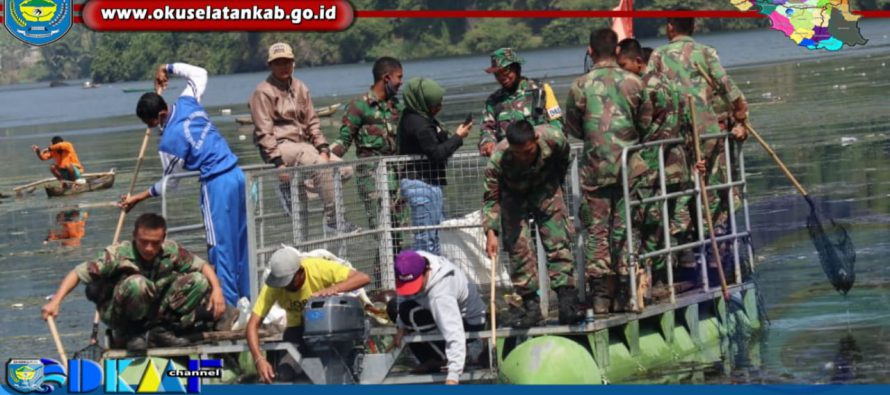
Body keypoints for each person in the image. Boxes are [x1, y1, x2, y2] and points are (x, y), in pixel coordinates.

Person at [123, 62, 249, 307]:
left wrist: (138, 197)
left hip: (217, 185)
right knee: (241, 241)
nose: (152, 128)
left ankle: (231, 307)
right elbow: (200, 72)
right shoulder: (186, 101)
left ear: (159, 116)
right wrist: (166, 68)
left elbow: (170, 185)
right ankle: (247, 298)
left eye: (151, 123)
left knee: (219, 248)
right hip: (237, 175)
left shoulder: (169, 143)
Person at [40, 213, 234, 351]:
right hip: (121, 312)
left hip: (154, 308)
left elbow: (202, 266)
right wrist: (56, 301)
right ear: (134, 237)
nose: (149, 248)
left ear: (163, 238)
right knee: (138, 284)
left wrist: (217, 290)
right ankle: (131, 334)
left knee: (199, 281)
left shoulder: (171, 250)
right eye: (144, 242)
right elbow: (77, 273)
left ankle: (162, 331)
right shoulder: (117, 254)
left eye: (155, 243)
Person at [648, 14, 749, 261]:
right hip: (706, 126)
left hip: (674, 128)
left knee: (682, 182)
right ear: (693, 27)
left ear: (670, 27)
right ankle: (713, 235)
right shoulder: (706, 52)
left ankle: (684, 241)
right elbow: (724, 84)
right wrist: (740, 111)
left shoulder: (658, 55)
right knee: (711, 179)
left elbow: (648, 90)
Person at [564, 28, 645, 314]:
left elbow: (572, 126)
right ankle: (625, 290)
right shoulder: (634, 83)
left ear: (590, 51)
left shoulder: (580, 86)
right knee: (625, 227)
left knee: (597, 231)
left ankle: (600, 296)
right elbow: (646, 121)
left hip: (594, 169)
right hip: (629, 168)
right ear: (619, 52)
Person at [482, 120, 584, 327]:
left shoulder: (553, 138)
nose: (523, 157)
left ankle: (566, 302)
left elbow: (563, 159)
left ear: (536, 140)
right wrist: (491, 233)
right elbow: (491, 198)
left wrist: (553, 182)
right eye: (518, 153)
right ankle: (531, 306)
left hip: (544, 188)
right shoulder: (498, 159)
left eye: (528, 152)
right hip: (513, 195)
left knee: (558, 241)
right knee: (517, 248)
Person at [250, 42, 358, 234]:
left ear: (294, 63)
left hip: (304, 144)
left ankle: (294, 188)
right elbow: (264, 131)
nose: (283, 66)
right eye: (278, 63)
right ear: (270, 65)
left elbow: (312, 122)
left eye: (287, 62)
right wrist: (277, 163)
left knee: (345, 169)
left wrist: (324, 149)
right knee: (318, 164)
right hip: (279, 145)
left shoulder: (300, 87)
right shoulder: (263, 92)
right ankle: (334, 221)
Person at [247, 246, 371, 384]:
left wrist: (331, 290)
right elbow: (252, 325)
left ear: (300, 272)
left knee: (333, 374)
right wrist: (258, 359)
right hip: (297, 330)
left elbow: (363, 278)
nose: (284, 287)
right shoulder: (274, 286)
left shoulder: (317, 268)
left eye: (288, 282)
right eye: (281, 284)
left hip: (327, 330)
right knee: (284, 374)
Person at [330, 56, 407, 247]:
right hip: (372, 181)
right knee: (383, 236)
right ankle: (383, 276)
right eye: (399, 77)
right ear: (387, 78)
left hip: (397, 180)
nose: (401, 82)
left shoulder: (397, 106)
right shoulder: (359, 106)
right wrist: (321, 156)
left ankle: (390, 276)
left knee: (399, 235)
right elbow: (343, 141)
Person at [398, 77, 472, 255]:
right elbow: (437, 154)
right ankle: (425, 278)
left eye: (440, 103)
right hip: (420, 184)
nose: (439, 107)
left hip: (428, 183)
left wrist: (454, 136)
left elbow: (438, 147)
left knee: (436, 235)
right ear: (423, 102)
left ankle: (435, 273)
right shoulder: (418, 124)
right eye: (435, 104)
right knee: (426, 239)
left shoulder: (421, 118)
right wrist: (458, 137)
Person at [389, 250, 486, 385]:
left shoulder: (440, 295)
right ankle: (431, 358)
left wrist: (453, 375)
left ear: (425, 271)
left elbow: (454, 332)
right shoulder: (412, 261)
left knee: (409, 313)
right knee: (395, 308)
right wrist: (401, 327)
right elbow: (403, 297)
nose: (412, 291)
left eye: (415, 285)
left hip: (468, 322)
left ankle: (443, 358)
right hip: (436, 310)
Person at [478, 48, 563, 157]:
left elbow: (558, 125)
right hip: (510, 163)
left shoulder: (541, 90)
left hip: (541, 158)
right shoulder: (493, 101)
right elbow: (487, 129)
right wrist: (487, 142)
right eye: (497, 74)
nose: (502, 77)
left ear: (517, 68)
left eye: (505, 71)